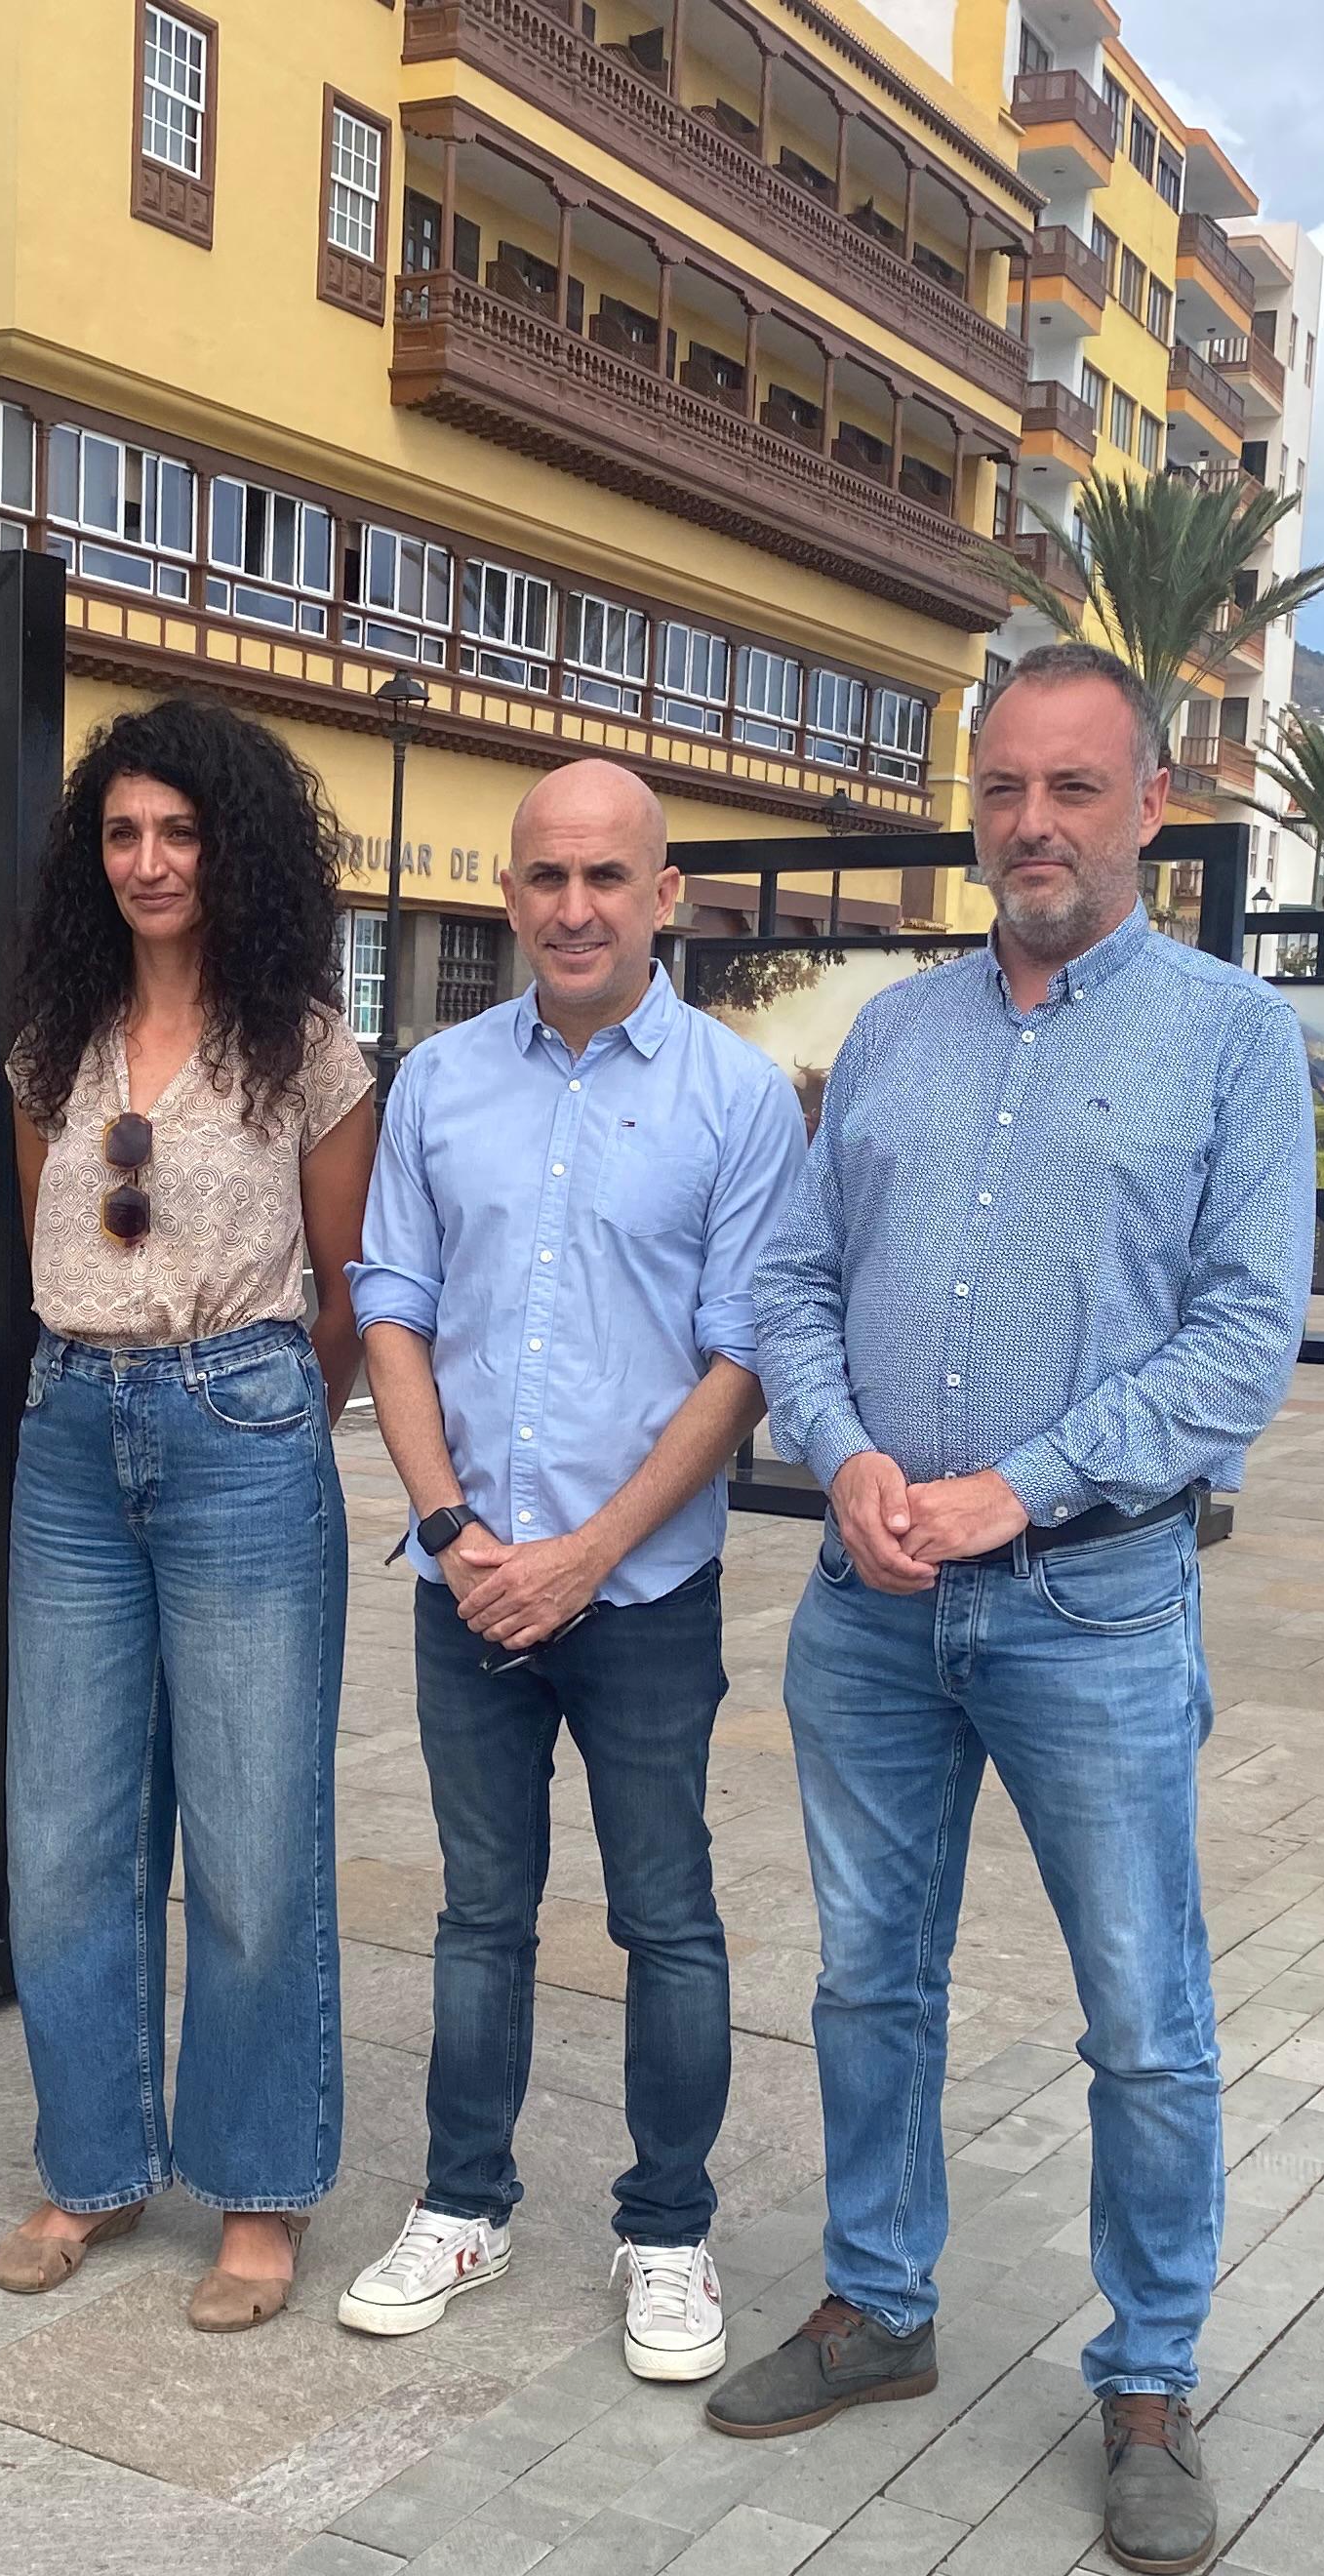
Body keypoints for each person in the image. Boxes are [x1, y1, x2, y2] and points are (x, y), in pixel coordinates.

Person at [731, 642, 1314, 2576]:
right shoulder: (896, 1036)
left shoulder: (1232, 1040)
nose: (1036, 824)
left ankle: (1150, 2381)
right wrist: (844, 1452)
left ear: (1152, 807)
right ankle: (878, 2305)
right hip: (871, 1596)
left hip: (1094, 1603)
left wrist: (1020, 1484)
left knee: (1144, 2018)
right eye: (1006, 791)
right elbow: (795, 1290)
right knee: (864, 1979)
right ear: (972, 810)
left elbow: (1243, 1340)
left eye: (1077, 788)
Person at [338, 759, 802, 2386]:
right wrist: (459, 1532)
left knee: (666, 1916)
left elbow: (742, 1356)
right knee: (480, 1912)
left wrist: (589, 1554)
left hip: (645, 1596)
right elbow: (389, 1306)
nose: (575, 905)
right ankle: (464, 2199)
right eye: (546, 876)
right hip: (464, 1582)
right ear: (512, 893)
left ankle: (665, 2228)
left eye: (609, 876)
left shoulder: (739, 1101)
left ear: (665, 894)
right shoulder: (441, 1082)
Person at [0, 699, 378, 2332]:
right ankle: (92, 2163)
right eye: (122, 832)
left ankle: (259, 2185)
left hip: (241, 1425)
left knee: (249, 1832)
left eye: (178, 831)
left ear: (233, 847)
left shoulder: (303, 1045)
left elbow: (351, 1288)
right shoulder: (51, 1043)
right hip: (73, 1431)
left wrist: (271, 1402)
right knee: (63, 1835)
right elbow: (41, 1245)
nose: (148, 861)